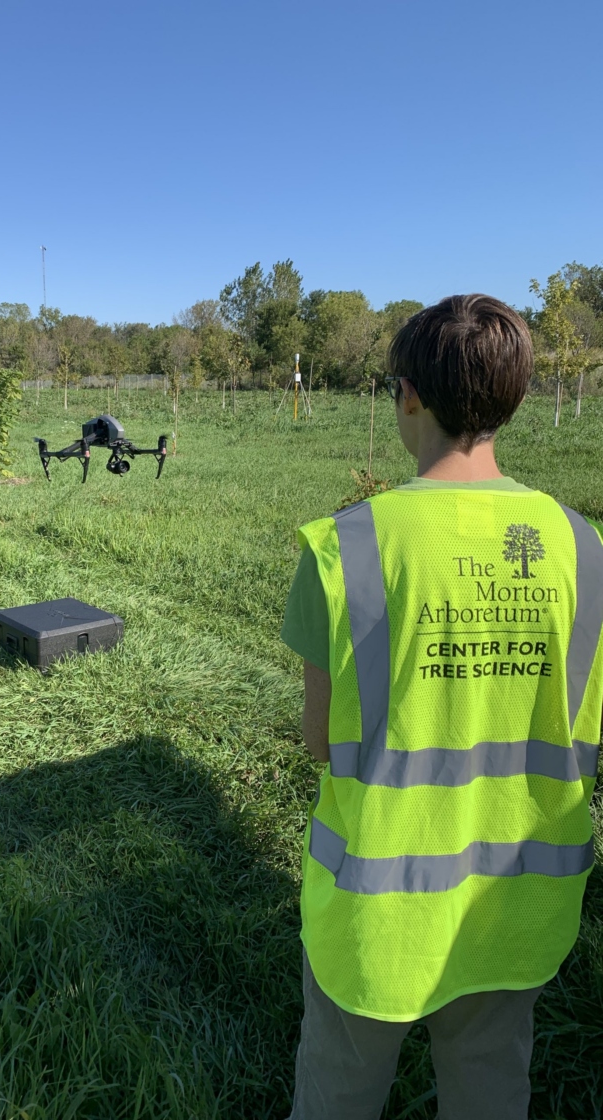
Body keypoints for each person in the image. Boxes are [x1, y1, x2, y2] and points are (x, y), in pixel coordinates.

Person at [280, 294, 603, 1120]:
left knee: (338, 1095)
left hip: (373, 919)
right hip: (516, 909)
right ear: (514, 400)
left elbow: (319, 740)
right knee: (492, 1090)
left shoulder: (346, 546)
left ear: (409, 395)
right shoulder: (582, 546)